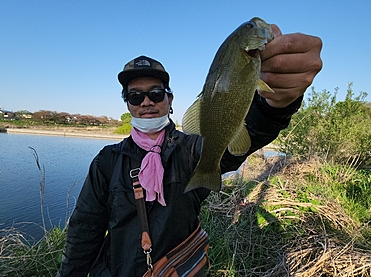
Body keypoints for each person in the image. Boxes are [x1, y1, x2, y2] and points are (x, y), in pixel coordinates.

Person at [56, 25, 322, 277]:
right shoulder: (107, 160)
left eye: (156, 93)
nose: (146, 101)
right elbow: (85, 231)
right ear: (128, 104)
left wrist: (275, 106)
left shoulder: (190, 149)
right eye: (135, 96)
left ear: (170, 100)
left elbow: (244, 139)